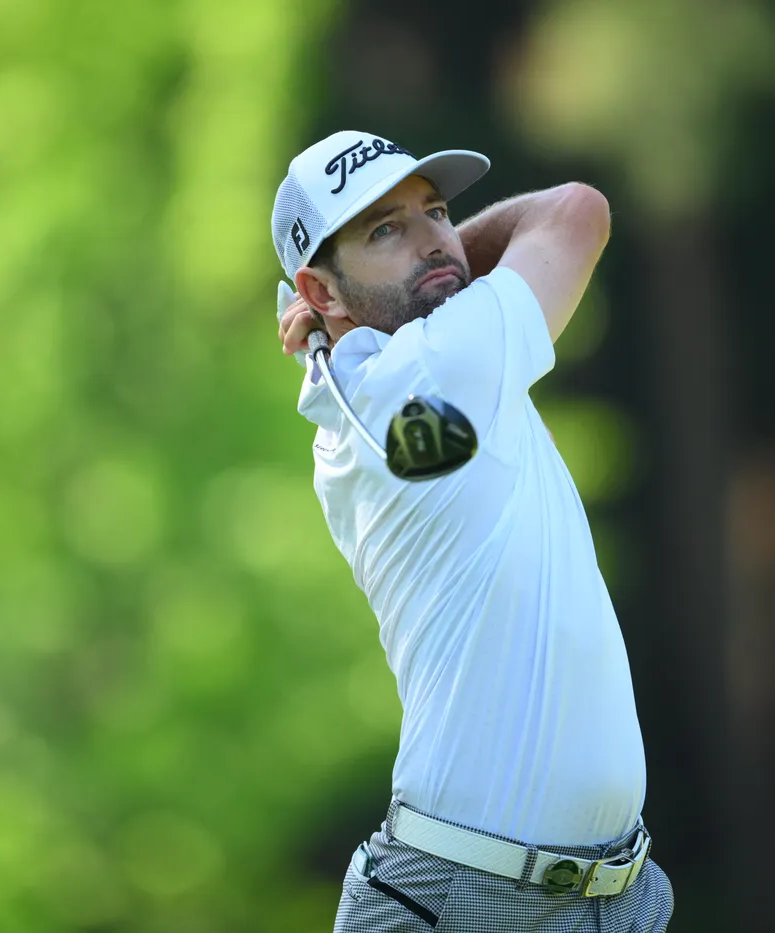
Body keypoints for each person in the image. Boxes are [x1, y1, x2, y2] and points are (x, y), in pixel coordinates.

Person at [269, 131, 674, 932]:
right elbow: (574, 210)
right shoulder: (433, 373)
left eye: (437, 213)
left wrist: (372, 289)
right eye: (385, 230)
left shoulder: (408, 374)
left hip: (609, 896)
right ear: (319, 290)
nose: (432, 241)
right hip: (464, 901)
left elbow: (427, 294)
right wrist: (436, 266)